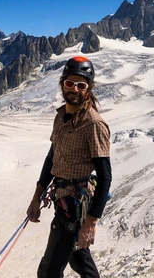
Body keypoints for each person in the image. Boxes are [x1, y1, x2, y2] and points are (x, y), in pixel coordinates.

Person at [27, 56, 112, 278]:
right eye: (70, 83)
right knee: (79, 260)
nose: (74, 89)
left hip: (74, 207)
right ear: (62, 84)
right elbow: (52, 157)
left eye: (81, 85)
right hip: (64, 199)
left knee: (48, 271)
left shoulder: (94, 124)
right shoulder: (60, 117)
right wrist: (36, 196)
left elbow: (105, 176)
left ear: (89, 88)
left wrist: (91, 222)